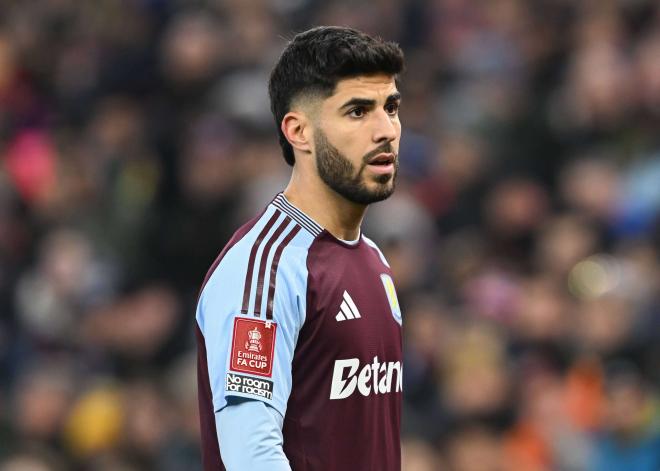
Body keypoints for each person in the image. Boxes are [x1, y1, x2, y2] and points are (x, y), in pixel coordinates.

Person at [196, 26, 405, 471]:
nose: (386, 130)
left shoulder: (373, 260)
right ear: (299, 132)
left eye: (391, 107)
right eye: (357, 111)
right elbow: (250, 455)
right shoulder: (266, 267)